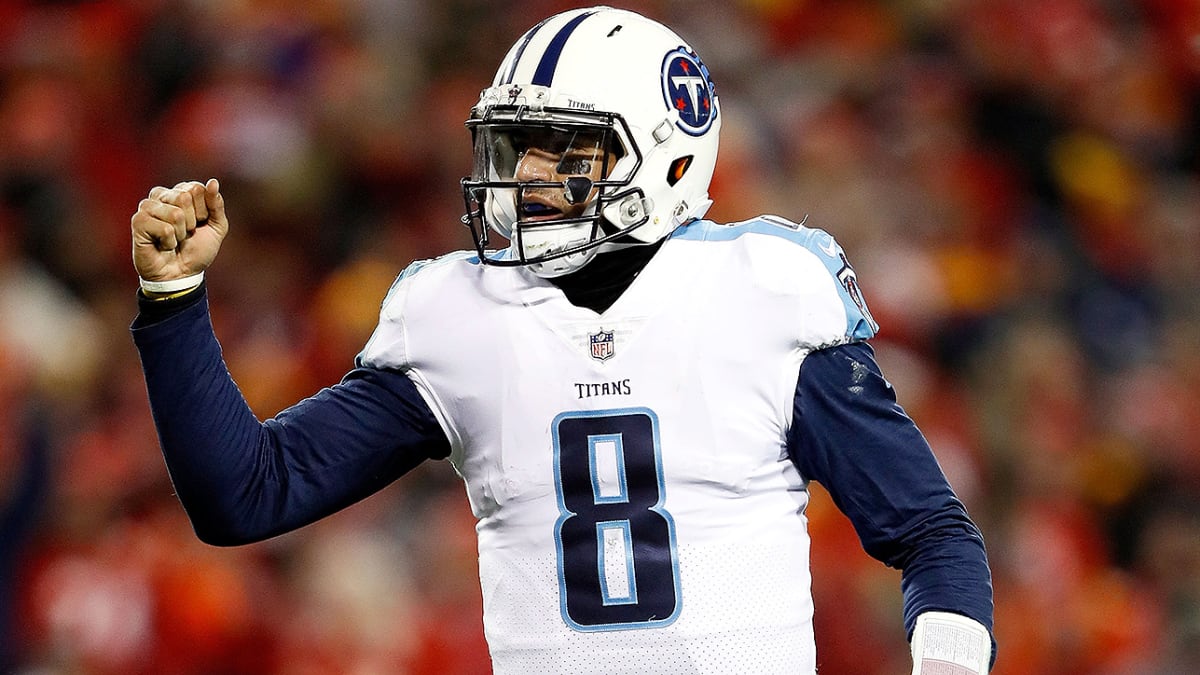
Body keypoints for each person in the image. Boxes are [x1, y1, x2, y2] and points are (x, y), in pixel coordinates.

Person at [130, 6, 995, 674]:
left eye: (563, 149)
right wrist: (174, 303)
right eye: (516, 146)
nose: (529, 176)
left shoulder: (761, 294)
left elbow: (931, 534)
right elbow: (247, 495)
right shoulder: (460, 315)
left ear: (670, 160)